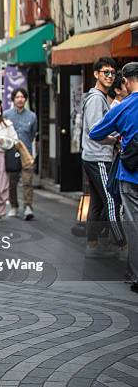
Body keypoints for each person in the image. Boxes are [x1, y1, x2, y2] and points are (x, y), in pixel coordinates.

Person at [90, 62, 138, 288]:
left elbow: (95, 132)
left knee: (133, 225)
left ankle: (136, 274)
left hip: (130, 175)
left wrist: (116, 139)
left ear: (126, 81)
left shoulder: (122, 107)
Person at [80, 57, 125, 258]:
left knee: (98, 202)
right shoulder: (97, 98)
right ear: (96, 74)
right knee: (112, 199)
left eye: (112, 73)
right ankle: (123, 244)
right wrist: (115, 140)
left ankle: (93, 243)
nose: (109, 76)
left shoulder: (98, 97)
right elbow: (95, 131)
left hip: (93, 156)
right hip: (98, 156)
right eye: (105, 72)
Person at [5, 88, 38, 220]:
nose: (20, 99)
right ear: (13, 99)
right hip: (11, 152)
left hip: (26, 152)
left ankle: (28, 206)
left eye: (22, 97)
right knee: (11, 181)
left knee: (27, 181)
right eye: (17, 97)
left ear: (25, 99)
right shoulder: (6, 115)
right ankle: (14, 206)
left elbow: (32, 134)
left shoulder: (32, 116)